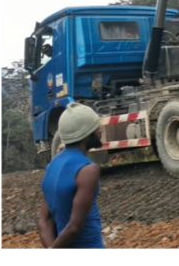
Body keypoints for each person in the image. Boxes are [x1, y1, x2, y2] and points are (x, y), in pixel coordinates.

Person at [38, 103, 105, 249]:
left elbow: (44, 220)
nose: (100, 132)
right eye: (96, 128)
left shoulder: (51, 166)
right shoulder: (88, 170)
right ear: (86, 134)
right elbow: (75, 226)